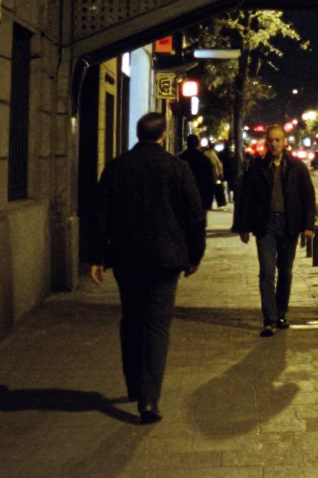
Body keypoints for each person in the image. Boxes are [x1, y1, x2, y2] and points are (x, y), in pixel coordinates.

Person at [89, 112, 206, 424]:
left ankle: (132, 383)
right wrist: (196, 254)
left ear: (137, 134)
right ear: (164, 135)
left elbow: (99, 215)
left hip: (127, 258)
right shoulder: (177, 167)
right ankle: (149, 399)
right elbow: (195, 215)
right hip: (166, 260)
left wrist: (97, 257)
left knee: (131, 318)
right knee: (156, 326)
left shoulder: (116, 167)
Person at [233, 124, 316, 337]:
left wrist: (308, 225)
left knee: (286, 272)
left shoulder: (297, 167)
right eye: (270, 140)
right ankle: (268, 319)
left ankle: (281, 313)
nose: (274, 144)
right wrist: (244, 227)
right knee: (267, 272)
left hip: (289, 224)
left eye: (278, 140)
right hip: (265, 224)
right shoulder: (258, 167)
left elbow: (308, 196)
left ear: (285, 141)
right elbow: (246, 198)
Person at [180, 134, 218, 211]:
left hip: (183, 198)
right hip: (201, 197)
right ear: (198, 143)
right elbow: (209, 181)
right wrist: (208, 201)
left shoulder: (180, 159)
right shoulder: (204, 160)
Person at [203, 140, 227, 208]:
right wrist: (220, 173)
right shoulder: (213, 154)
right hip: (214, 175)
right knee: (216, 188)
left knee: (208, 190)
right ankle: (219, 202)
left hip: (206, 175)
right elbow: (219, 165)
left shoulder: (204, 154)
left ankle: (208, 204)